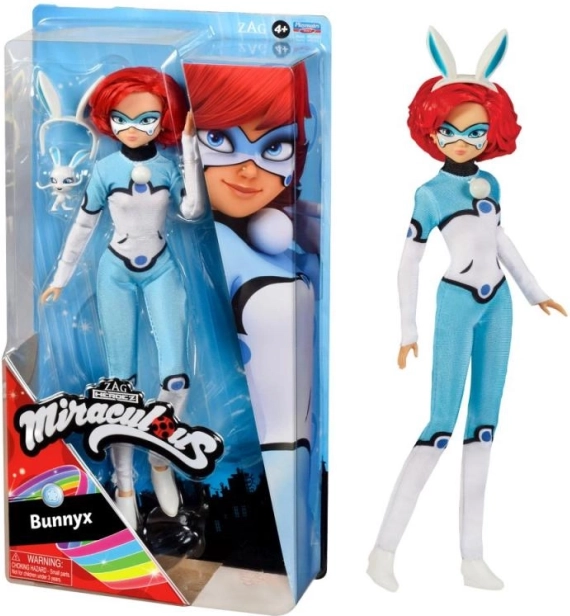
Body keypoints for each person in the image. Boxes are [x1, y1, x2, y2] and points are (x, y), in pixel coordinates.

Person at [367, 28, 566, 592]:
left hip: (498, 304)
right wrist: (407, 328)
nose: (462, 141)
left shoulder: (492, 181)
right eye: (449, 131)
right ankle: (383, 551)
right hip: (456, 303)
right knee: (439, 425)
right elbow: (408, 262)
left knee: (484, 426)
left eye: (475, 132)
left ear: (492, 132)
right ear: (430, 131)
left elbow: (499, 239)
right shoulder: (430, 194)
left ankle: (471, 557)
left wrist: (534, 291)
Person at [40, 66, 205, 529]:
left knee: (176, 378)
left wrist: (190, 148)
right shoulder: (104, 170)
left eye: (146, 119)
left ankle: (160, 456)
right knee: (120, 387)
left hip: (162, 269)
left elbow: (193, 209)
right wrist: (61, 276)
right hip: (114, 272)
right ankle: (125, 481)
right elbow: (84, 224)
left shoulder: (167, 167)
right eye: (121, 119)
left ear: (162, 121)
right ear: (106, 121)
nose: (132, 128)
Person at [184, 62, 318, 599]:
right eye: (221, 140)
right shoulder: (208, 246)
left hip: (304, 447)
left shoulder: (284, 236)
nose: (247, 169)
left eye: (274, 147)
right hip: (255, 447)